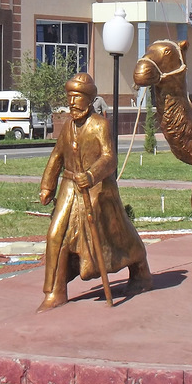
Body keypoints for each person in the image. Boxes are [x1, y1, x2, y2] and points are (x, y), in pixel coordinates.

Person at [37, 73, 151, 312]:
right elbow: (56, 157)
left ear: (89, 99)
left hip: (99, 189)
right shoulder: (68, 126)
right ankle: (54, 292)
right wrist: (48, 186)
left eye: (77, 97)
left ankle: (139, 268)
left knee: (113, 235)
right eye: (69, 97)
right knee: (56, 234)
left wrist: (91, 175)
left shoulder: (100, 125)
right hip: (70, 188)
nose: (71, 102)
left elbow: (110, 158)